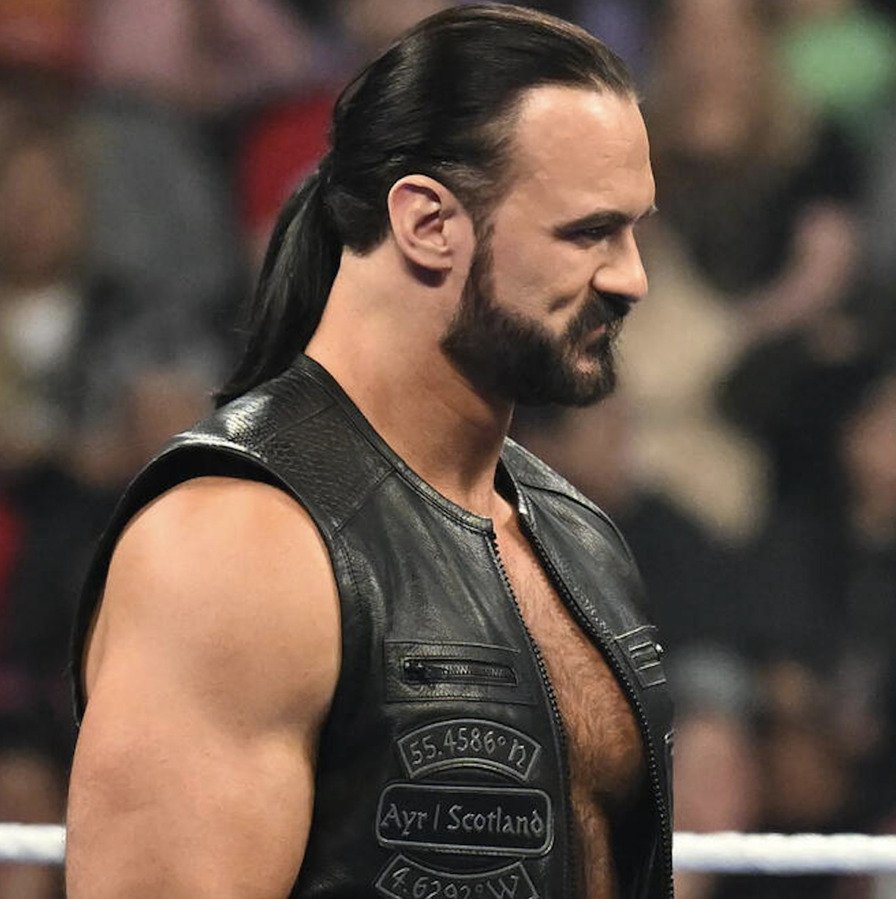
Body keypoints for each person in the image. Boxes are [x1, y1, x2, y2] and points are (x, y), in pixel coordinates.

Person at [65, 6, 672, 898]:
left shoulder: (578, 538)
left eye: (633, 231)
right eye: (589, 232)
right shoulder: (236, 547)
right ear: (426, 222)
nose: (631, 277)